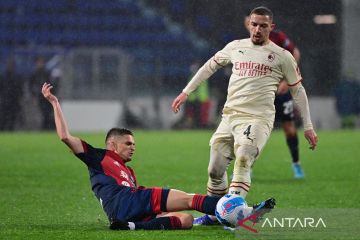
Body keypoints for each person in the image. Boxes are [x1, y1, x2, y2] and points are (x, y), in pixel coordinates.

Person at [41, 82, 275, 230]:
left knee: (184, 221)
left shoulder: (126, 171)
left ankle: (130, 226)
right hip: (129, 199)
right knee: (189, 199)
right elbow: (64, 136)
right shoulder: (99, 157)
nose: (133, 147)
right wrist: (55, 103)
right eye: (128, 143)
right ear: (112, 144)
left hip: (120, 212)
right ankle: (243, 213)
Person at [172, 6, 317, 225]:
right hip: (229, 117)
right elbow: (208, 68)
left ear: (272, 27)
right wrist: (186, 91)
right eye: (254, 24)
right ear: (249, 24)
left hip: (258, 119)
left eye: (263, 26)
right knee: (214, 170)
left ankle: (233, 216)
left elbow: (299, 91)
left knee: (243, 158)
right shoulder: (235, 47)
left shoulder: (282, 56)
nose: (258, 29)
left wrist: (308, 126)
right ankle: (215, 215)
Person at [244, 14, 304, 178]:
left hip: (280, 92)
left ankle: (296, 164)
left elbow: (295, 53)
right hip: (261, 94)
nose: (254, 27)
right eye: (250, 23)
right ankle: (248, 167)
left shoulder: (278, 37)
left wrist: (287, 79)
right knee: (254, 130)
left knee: (289, 129)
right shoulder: (246, 43)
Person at [173, 61, 211, 129]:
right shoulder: (194, 76)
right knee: (194, 116)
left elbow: (196, 88)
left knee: (199, 117)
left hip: (200, 100)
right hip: (194, 99)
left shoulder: (200, 76)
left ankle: (199, 127)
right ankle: (195, 126)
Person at [29, 56, 53, 130]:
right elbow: (30, 86)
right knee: (43, 113)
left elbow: (51, 85)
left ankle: (46, 127)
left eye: (41, 62)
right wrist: (33, 95)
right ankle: (45, 127)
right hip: (39, 97)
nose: (40, 64)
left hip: (47, 96)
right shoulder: (34, 74)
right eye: (39, 62)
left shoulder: (46, 73)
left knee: (47, 113)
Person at [0, 58, 24, 131]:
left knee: (12, 118)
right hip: (6, 100)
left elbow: (20, 89)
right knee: (4, 118)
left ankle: (9, 130)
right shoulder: (3, 77)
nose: (11, 67)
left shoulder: (17, 77)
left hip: (13, 100)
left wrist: (20, 97)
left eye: (12, 65)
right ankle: (3, 130)